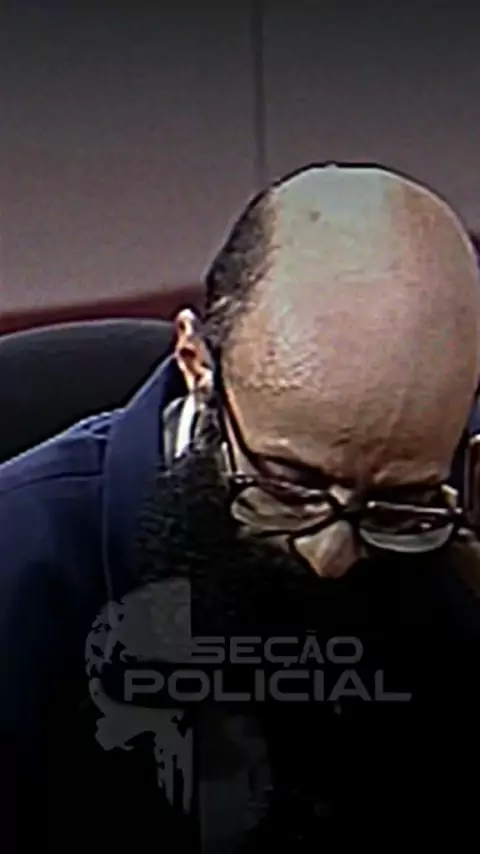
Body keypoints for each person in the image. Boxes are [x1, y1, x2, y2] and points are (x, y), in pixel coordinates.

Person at [2, 163, 480, 850]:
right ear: (197, 361)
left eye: (393, 504)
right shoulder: (17, 573)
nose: (329, 555)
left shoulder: (451, 529)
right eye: (288, 485)